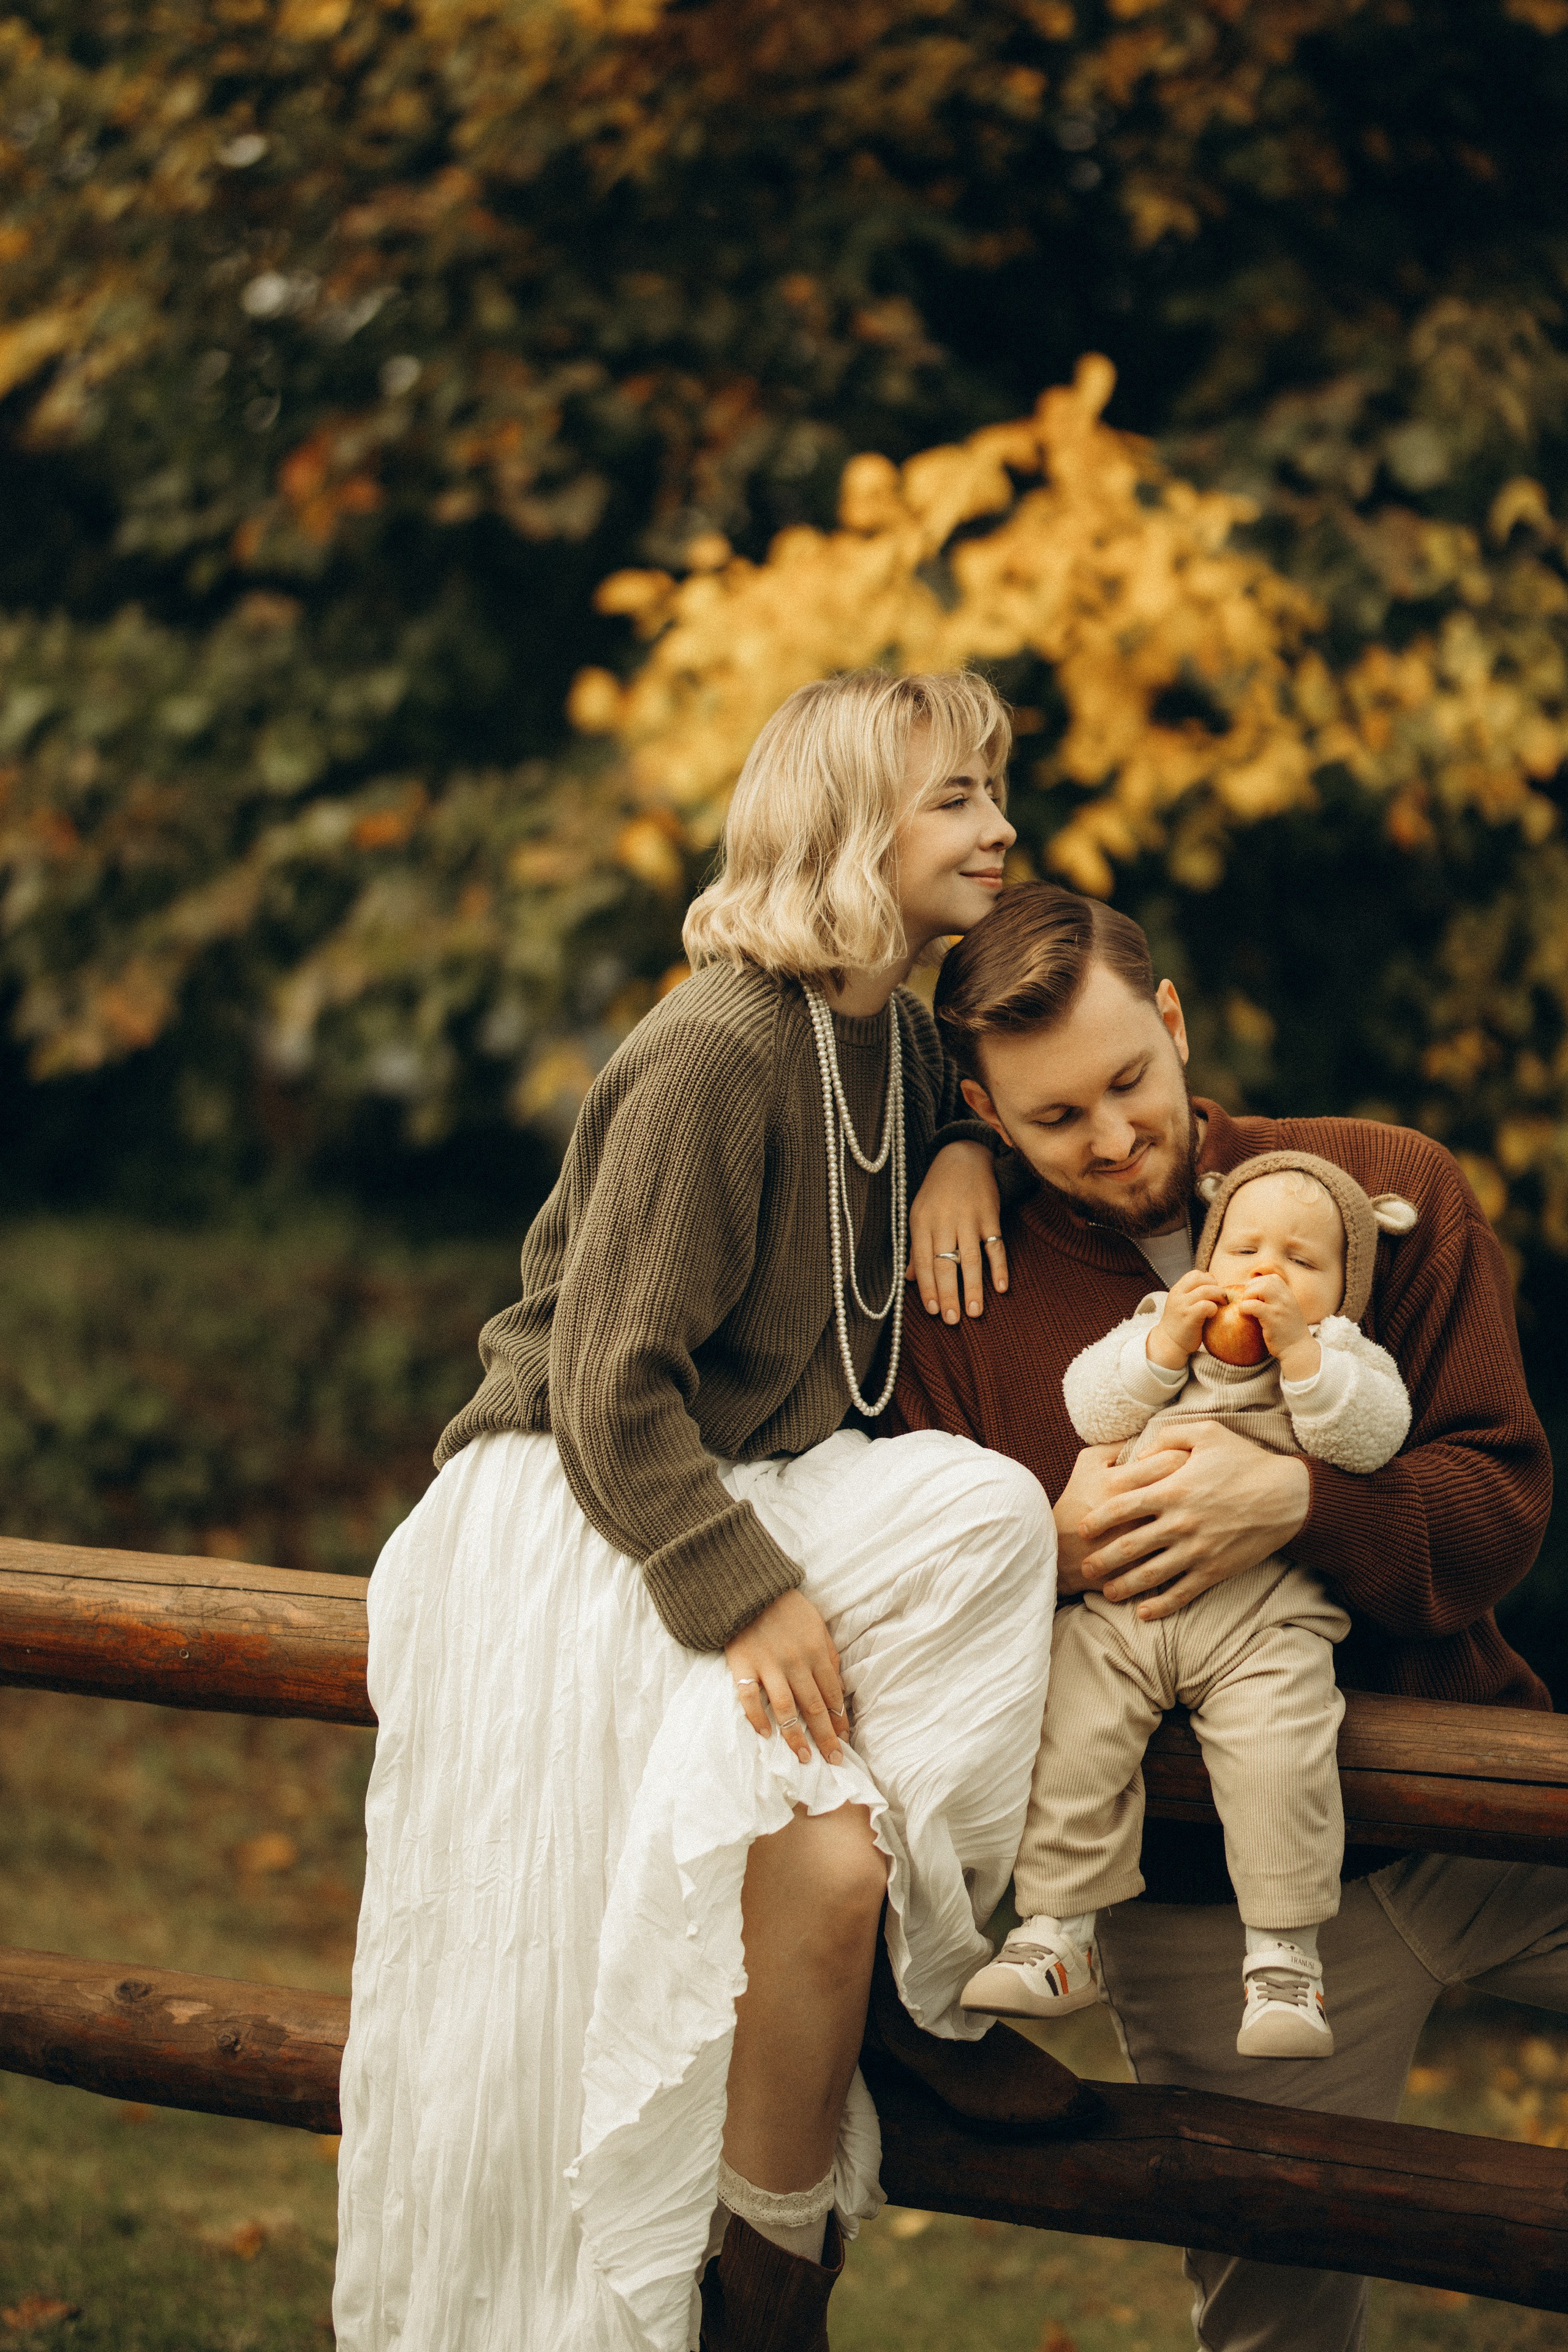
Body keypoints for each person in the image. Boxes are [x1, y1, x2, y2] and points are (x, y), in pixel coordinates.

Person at [331, 672, 1080, 2352]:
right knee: (812, 1853)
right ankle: (756, 2292)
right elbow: (606, 1386)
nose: (1000, 827)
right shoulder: (717, 1049)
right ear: (848, 826)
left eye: (992, 793)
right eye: (955, 798)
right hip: (579, 1504)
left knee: (984, 1516)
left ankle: (904, 1987)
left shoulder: (887, 1037)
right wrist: (741, 1593)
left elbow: (1031, 1086)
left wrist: (975, 1140)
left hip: (744, 1477)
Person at [894, 878, 1557, 2352]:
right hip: (1206, 1914)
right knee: (1279, 2324)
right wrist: (1042, 1549)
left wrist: (1296, 1504)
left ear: (1175, 1022)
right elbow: (925, 1611)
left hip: (1484, 1813)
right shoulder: (953, 1294)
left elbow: (1499, 1504)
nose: (1113, 1138)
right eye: (1053, 1118)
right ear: (983, 1115)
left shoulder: (1383, 1187)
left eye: (1130, 1081)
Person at [961, 1150, 1416, 2059]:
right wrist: (1164, 1345)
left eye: (1301, 1261)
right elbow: (1091, 1410)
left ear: (1346, 1289)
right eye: (1244, 1247)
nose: (1265, 1273)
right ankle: (1056, 1932)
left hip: (1266, 1620)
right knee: (1071, 1729)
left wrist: (1300, 1353)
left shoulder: (1344, 1358)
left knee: (1284, 1754)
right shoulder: (1154, 1328)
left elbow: (1368, 1440)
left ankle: (1285, 1964)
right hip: (1129, 1613)